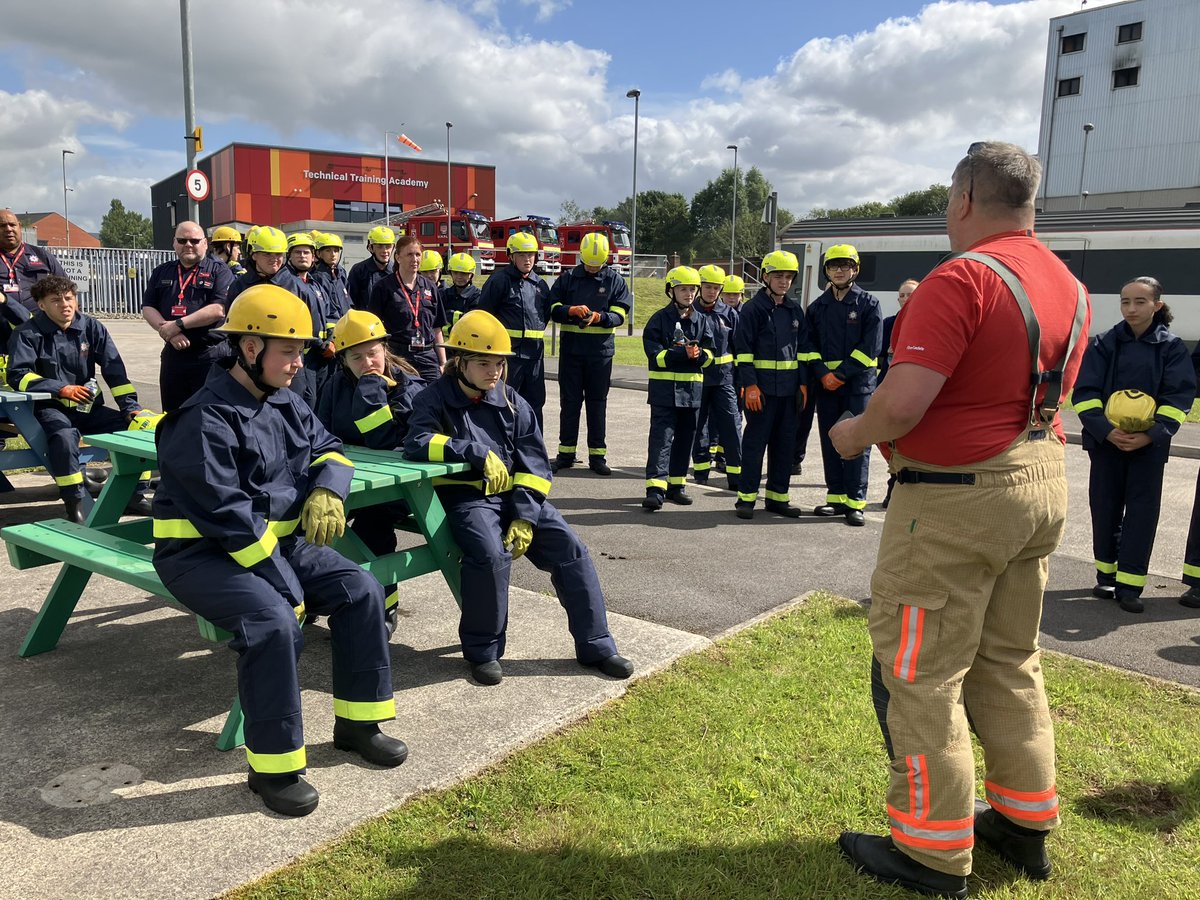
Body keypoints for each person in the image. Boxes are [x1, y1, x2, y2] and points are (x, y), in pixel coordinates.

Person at [829, 141, 1091, 897]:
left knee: (919, 674)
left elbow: (903, 402)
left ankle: (932, 852)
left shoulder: (963, 278)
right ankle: (1024, 822)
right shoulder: (1069, 284)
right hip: (1039, 477)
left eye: (948, 200)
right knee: (1009, 658)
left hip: (956, 499)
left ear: (967, 198)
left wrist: (851, 434)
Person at [152, 284, 407, 818]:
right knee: (273, 622)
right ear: (249, 349)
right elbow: (229, 520)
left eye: (300, 352)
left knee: (360, 589)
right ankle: (274, 768)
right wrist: (287, 588)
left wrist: (326, 490)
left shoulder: (287, 400)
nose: (298, 364)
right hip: (203, 557)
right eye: (288, 351)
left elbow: (331, 449)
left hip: (276, 547)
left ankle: (358, 724)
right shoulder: (202, 418)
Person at [403, 309, 633, 686]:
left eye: (498, 364)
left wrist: (525, 516)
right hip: (469, 500)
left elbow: (535, 465)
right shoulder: (433, 399)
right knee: (490, 556)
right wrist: (473, 452)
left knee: (571, 550)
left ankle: (597, 645)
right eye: (483, 363)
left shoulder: (512, 402)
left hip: (518, 497)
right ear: (459, 362)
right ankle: (484, 652)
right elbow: (416, 442)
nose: (493, 372)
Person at [1072, 277, 1194, 614]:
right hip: (1106, 444)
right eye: (1125, 301)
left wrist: (1151, 435)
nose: (1131, 308)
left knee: (1141, 515)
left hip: (1148, 450)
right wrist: (1105, 431)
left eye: (1140, 302)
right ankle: (1105, 577)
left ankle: (1130, 586)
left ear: (1157, 305)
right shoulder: (1105, 343)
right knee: (1105, 508)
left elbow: (1178, 398)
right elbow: (1084, 393)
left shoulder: (1171, 347)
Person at [315, 309, 425, 635]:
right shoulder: (335, 386)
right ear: (343, 360)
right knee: (305, 525)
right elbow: (320, 434)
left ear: (385, 349)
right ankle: (312, 599)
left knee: (369, 532)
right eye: (357, 357)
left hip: (399, 490)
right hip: (350, 481)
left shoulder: (407, 387)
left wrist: (371, 389)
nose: (367, 362)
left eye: (373, 353)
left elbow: (384, 440)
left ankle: (382, 607)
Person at [7, 275, 151, 522]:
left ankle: (134, 497)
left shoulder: (92, 327)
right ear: (41, 305)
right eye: (56, 300)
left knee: (135, 430)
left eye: (69, 298)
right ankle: (74, 502)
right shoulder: (27, 333)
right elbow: (17, 375)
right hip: (50, 409)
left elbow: (115, 372)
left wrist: (131, 408)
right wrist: (60, 389)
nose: (65, 305)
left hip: (89, 408)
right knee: (64, 438)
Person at [733, 250, 812, 520]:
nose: (784, 281)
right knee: (755, 446)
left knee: (784, 446)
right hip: (762, 393)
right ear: (766, 276)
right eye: (778, 275)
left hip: (789, 394)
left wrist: (802, 384)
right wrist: (750, 386)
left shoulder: (794, 310)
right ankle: (746, 500)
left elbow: (802, 351)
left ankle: (778, 499)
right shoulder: (753, 310)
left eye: (789, 276)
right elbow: (743, 352)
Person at [807, 244, 882, 527]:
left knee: (857, 442)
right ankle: (835, 497)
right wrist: (821, 373)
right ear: (826, 270)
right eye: (833, 265)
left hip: (856, 386)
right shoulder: (817, 307)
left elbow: (870, 348)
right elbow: (809, 347)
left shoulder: (869, 304)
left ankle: (855, 502)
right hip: (826, 386)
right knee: (830, 440)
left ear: (855, 270)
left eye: (845, 265)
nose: (839, 270)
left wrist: (840, 374)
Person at [547, 230, 630, 477]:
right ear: (581, 257)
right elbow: (552, 308)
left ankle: (597, 456)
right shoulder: (568, 278)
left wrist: (599, 317)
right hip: (572, 352)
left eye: (598, 265)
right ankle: (565, 454)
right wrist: (570, 310)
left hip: (600, 354)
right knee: (569, 403)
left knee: (597, 404)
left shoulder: (615, 280)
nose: (593, 269)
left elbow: (620, 314)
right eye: (589, 264)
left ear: (606, 259)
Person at [141, 221, 235, 412]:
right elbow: (148, 307)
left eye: (194, 240)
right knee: (173, 415)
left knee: (210, 416)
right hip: (174, 355)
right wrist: (169, 332)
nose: (188, 245)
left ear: (205, 243)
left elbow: (218, 309)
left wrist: (178, 325)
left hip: (210, 357)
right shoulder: (162, 271)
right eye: (182, 240)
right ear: (174, 243)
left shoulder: (219, 271)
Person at [641, 266, 714, 511]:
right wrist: (679, 353)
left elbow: (711, 356)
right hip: (664, 394)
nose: (689, 293)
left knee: (685, 441)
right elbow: (655, 357)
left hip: (692, 395)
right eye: (683, 289)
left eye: (693, 289)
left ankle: (677, 486)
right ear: (671, 290)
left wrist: (700, 354)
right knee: (661, 440)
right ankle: (655, 489)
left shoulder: (702, 320)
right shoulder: (658, 320)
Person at [229, 227, 319, 408]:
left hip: (289, 363)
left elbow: (313, 328)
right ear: (253, 254)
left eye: (279, 254)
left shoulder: (297, 287)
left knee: (291, 411)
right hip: (250, 364)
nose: (274, 259)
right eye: (267, 254)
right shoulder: (239, 287)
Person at [470, 231, 551, 429]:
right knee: (504, 402)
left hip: (534, 357)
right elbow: (485, 315)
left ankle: (532, 449)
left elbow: (545, 316)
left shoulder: (540, 284)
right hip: (507, 358)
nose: (527, 259)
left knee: (535, 404)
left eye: (531, 254)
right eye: (522, 255)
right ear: (511, 256)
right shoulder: (499, 281)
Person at [368, 234, 447, 382]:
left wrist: (443, 362)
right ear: (398, 258)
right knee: (404, 399)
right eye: (409, 254)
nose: (415, 259)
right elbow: (374, 329)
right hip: (398, 356)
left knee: (434, 400)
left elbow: (437, 328)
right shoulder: (383, 287)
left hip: (427, 356)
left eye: (418, 254)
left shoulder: (430, 287)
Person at [691, 264, 742, 492]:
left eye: (716, 288)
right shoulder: (688, 312)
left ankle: (736, 476)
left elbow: (740, 349)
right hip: (698, 380)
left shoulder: (730, 314)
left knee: (731, 426)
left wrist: (741, 381)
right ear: (700, 287)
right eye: (708, 287)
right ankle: (701, 473)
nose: (712, 292)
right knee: (698, 428)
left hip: (725, 381)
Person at [0, 207, 66, 358]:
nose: (8, 229)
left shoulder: (41, 255)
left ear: (19, 226)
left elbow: (65, 288)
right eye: (2, 226)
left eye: (12, 225)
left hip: (40, 330)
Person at [878, 278, 920, 510]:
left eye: (910, 294)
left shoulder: (927, 323)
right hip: (888, 389)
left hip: (914, 393)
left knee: (906, 443)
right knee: (887, 442)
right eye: (902, 295)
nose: (905, 298)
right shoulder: (888, 324)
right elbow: (877, 354)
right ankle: (894, 480)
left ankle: (896, 487)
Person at [285, 232, 337, 394]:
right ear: (289, 256)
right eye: (297, 252)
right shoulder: (287, 283)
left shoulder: (315, 284)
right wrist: (320, 344)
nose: (302, 256)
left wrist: (330, 338)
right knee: (308, 400)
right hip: (303, 356)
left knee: (322, 399)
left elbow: (331, 313)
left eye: (306, 252)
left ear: (314, 256)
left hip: (323, 354)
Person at [347, 225, 396, 310]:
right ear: (371, 248)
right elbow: (350, 302)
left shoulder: (397, 271)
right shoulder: (358, 270)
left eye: (388, 246)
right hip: (366, 321)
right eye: (380, 246)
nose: (385, 251)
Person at [311, 232, 353, 329]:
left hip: (346, 328)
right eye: (328, 250)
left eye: (336, 250)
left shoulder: (340, 274)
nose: (333, 254)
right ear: (318, 253)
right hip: (331, 331)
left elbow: (348, 303)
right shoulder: (318, 277)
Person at [440, 252, 480, 326]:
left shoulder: (477, 296)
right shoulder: (443, 294)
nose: (459, 277)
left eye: (463, 273)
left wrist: (448, 314)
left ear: (471, 274)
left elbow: (472, 321)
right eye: (455, 272)